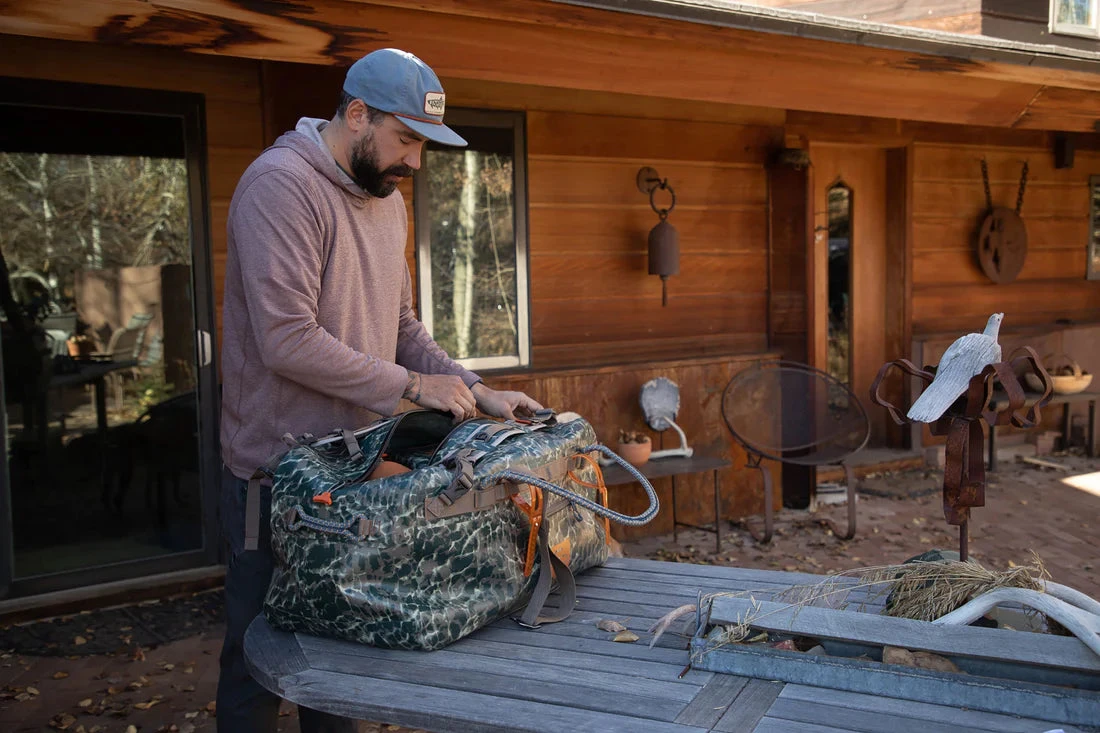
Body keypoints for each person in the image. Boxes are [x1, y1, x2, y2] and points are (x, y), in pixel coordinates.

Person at [217, 48, 543, 733]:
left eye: (422, 146)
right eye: (405, 140)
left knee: (339, 664)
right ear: (356, 115)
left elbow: (399, 328)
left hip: (354, 473)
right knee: (256, 666)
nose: (415, 162)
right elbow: (287, 340)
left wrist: (475, 388)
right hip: (275, 480)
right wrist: (413, 386)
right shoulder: (280, 187)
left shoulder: (384, 201)